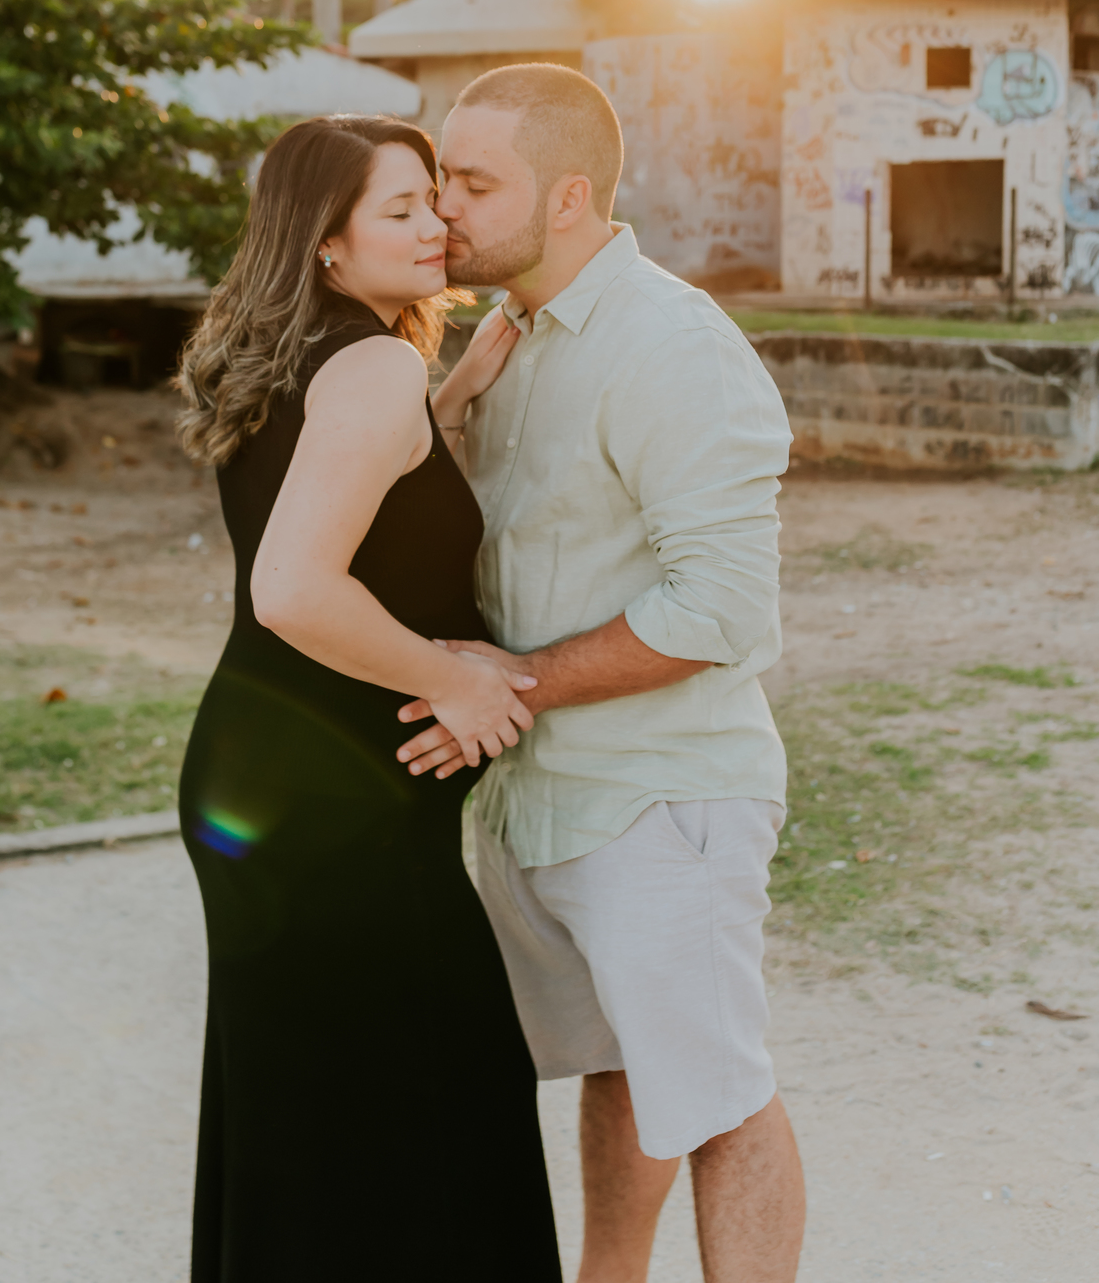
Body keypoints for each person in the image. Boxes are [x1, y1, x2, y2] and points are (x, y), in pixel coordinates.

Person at [395, 65, 805, 1283]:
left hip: (660, 800)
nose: (444, 208)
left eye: (474, 182)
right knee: (625, 1069)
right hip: (544, 804)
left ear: (568, 195)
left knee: (720, 1097)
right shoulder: (509, 333)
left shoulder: (672, 345)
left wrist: (512, 683)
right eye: (438, 179)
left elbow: (721, 607)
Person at [174, 115, 561, 1283]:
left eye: (435, 198)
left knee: (316, 1125)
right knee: (432, 1113)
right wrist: (457, 678)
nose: (437, 221)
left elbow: (358, 500)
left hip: (277, 784)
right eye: (401, 209)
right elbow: (291, 587)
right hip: (327, 815)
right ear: (326, 245)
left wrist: (443, 408)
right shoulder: (374, 364)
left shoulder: (325, 357)